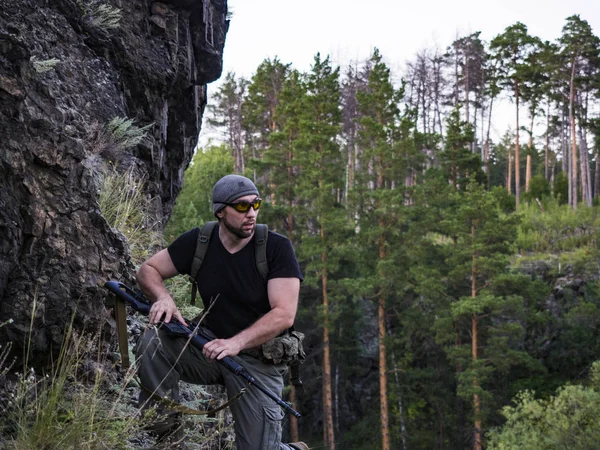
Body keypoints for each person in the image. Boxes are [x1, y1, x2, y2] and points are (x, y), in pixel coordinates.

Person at [135, 174, 308, 450]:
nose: (251, 213)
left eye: (256, 205)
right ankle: (166, 441)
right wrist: (163, 298)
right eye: (241, 207)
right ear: (220, 211)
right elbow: (148, 270)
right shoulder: (200, 241)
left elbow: (284, 314)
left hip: (257, 360)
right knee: (154, 342)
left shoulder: (276, 248)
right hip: (209, 349)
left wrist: (235, 343)